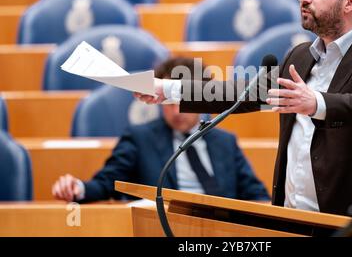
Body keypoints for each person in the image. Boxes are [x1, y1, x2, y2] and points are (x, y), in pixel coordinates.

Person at [134, 0, 352, 224]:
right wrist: (167, 89)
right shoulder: (301, 56)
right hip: (292, 220)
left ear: (351, 1)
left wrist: (314, 102)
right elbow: (245, 95)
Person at [52, 57, 270, 203]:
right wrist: (78, 188)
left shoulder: (225, 142)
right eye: (170, 102)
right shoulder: (139, 138)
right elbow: (107, 183)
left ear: (204, 100)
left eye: (185, 101)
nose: (177, 110)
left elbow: (256, 195)